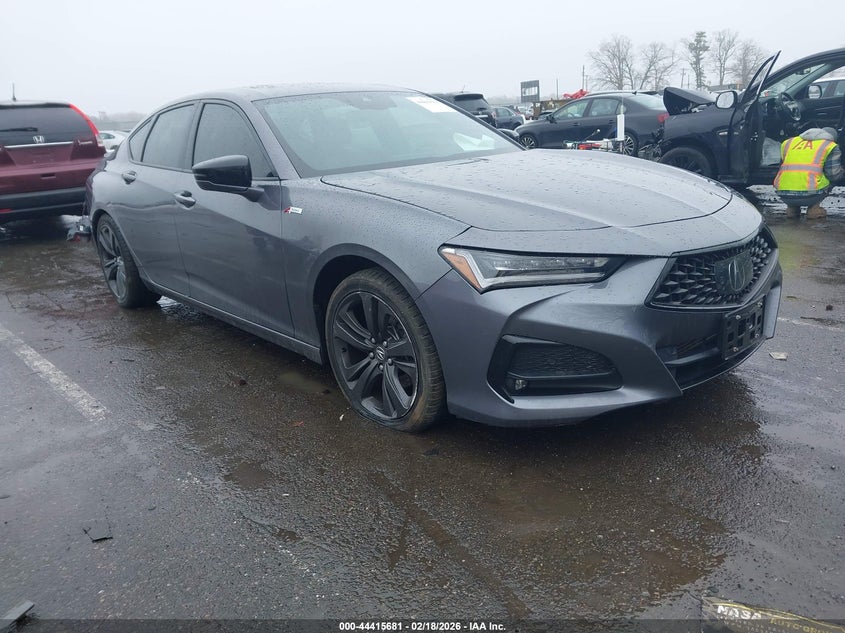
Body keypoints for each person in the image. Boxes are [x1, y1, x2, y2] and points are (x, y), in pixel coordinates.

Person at [774, 127, 842, 219]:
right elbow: (833, 174)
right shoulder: (829, 145)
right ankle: (814, 209)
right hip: (811, 194)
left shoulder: (789, 142)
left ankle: (792, 209)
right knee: (832, 178)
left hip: (783, 193)